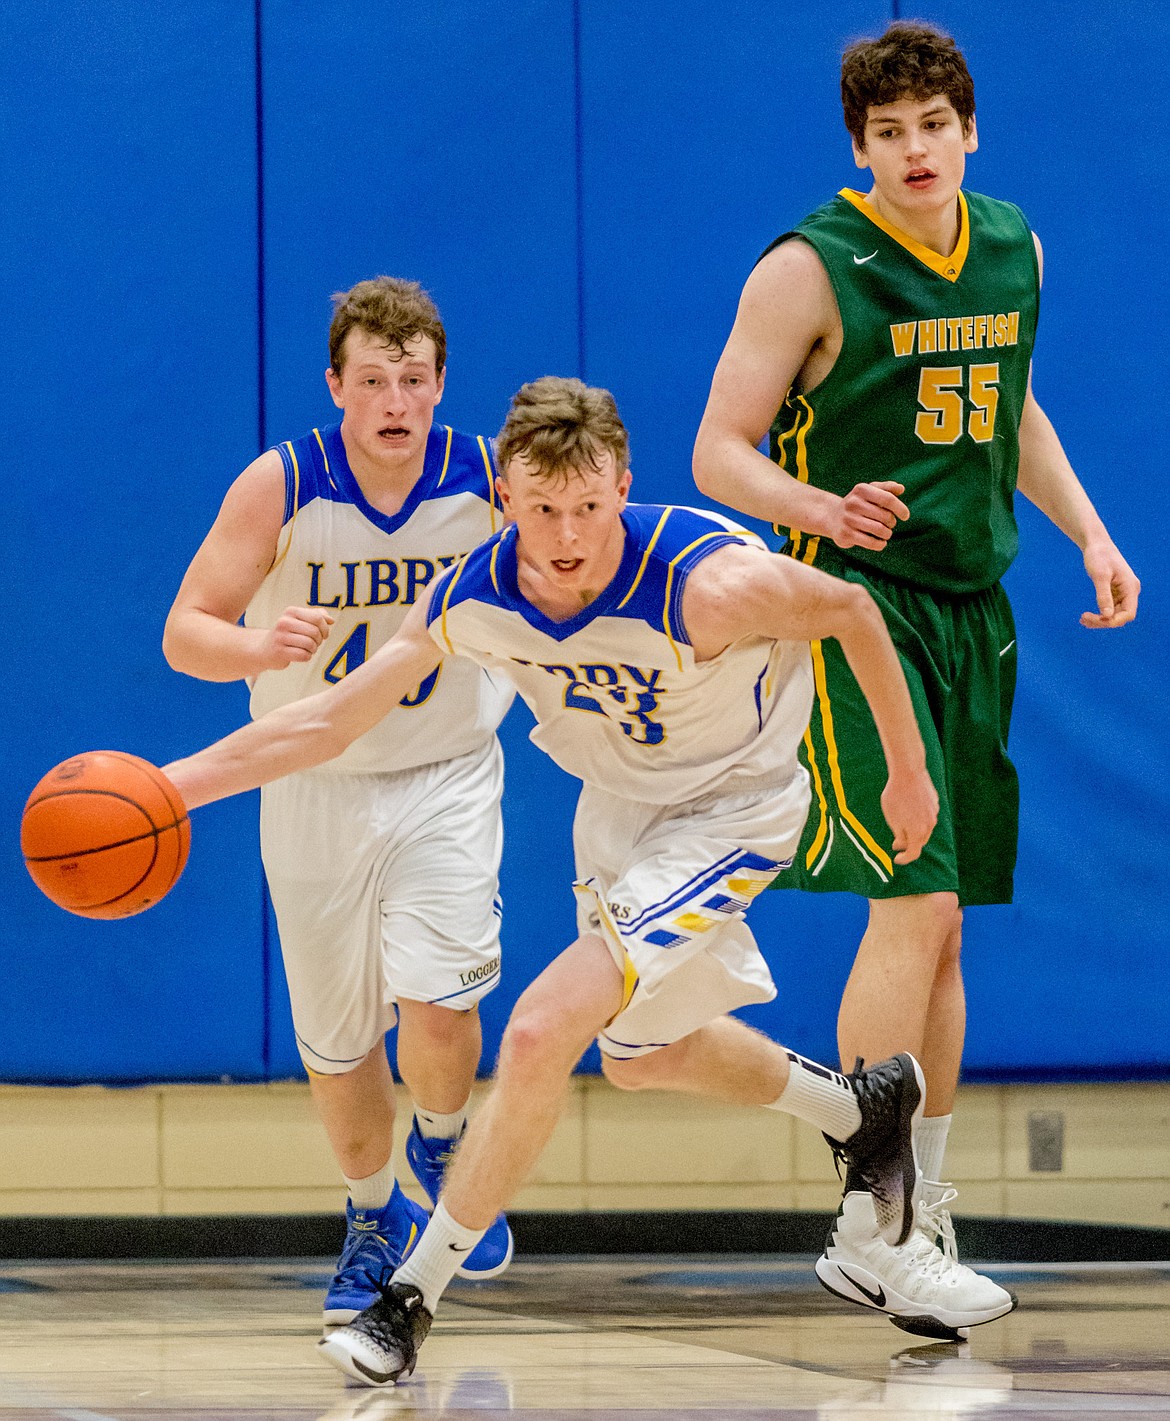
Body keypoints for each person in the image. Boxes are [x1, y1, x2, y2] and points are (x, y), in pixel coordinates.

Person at [161, 375, 939, 1387]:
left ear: (621, 485)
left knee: (537, 1027)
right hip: (621, 811)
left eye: (586, 505)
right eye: (538, 507)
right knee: (639, 1055)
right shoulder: (476, 594)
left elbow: (851, 609)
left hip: (731, 809)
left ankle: (408, 1297)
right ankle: (859, 1112)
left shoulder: (705, 583)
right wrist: (169, 787)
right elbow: (327, 719)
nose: (564, 533)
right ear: (505, 495)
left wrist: (908, 770)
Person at [691, 21, 1140, 1340]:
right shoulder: (804, 270)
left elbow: (1010, 409)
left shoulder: (1013, 246)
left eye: (932, 125)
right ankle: (877, 1215)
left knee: (944, 931)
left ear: (968, 128)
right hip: (853, 612)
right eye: (887, 134)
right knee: (914, 900)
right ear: (858, 149)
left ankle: (898, 1218)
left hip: (970, 608)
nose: (914, 151)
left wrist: (1090, 530)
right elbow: (719, 452)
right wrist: (820, 509)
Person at [162, 277, 515, 1325]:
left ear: (442, 385)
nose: (396, 401)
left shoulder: (489, 476)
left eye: (414, 380)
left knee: (440, 1001)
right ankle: (372, 1215)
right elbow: (186, 630)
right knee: (338, 1039)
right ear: (336, 387)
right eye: (373, 381)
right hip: (309, 776)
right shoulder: (280, 485)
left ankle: (446, 1141)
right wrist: (252, 644)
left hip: (446, 768)